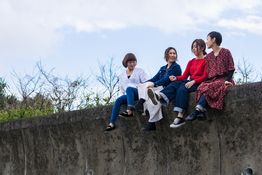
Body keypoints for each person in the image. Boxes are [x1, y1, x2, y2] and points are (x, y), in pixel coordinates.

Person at [152, 39, 207, 128]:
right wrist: (176, 77)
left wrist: (194, 81)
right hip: (190, 82)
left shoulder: (206, 60)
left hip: (200, 83)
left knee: (182, 88)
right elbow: (184, 76)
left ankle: (180, 116)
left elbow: (205, 76)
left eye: (196, 46)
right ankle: (159, 96)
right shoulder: (191, 61)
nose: (194, 49)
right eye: (193, 47)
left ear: (202, 47)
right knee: (178, 82)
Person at [185, 31, 235, 121]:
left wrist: (228, 80)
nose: (206, 42)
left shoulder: (225, 52)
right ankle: (201, 111)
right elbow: (207, 74)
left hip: (224, 79)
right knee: (201, 87)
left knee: (212, 86)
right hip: (212, 80)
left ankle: (197, 111)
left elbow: (231, 68)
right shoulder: (208, 57)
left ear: (214, 40)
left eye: (207, 39)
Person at [136, 47, 182, 131]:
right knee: (143, 86)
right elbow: (154, 78)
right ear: (166, 55)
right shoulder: (162, 68)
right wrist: (145, 83)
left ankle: (150, 120)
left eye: (174, 53)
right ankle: (143, 103)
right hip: (158, 87)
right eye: (170, 53)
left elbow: (167, 79)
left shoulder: (176, 67)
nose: (172, 55)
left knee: (153, 96)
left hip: (166, 88)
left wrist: (155, 84)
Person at [105, 53, 147, 131]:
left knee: (129, 88)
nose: (132, 64)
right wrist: (122, 96)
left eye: (134, 62)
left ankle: (129, 110)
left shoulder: (140, 71)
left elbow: (145, 83)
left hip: (139, 92)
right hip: (129, 95)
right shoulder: (121, 75)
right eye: (130, 62)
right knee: (118, 100)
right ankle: (111, 123)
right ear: (126, 63)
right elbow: (121, 89)